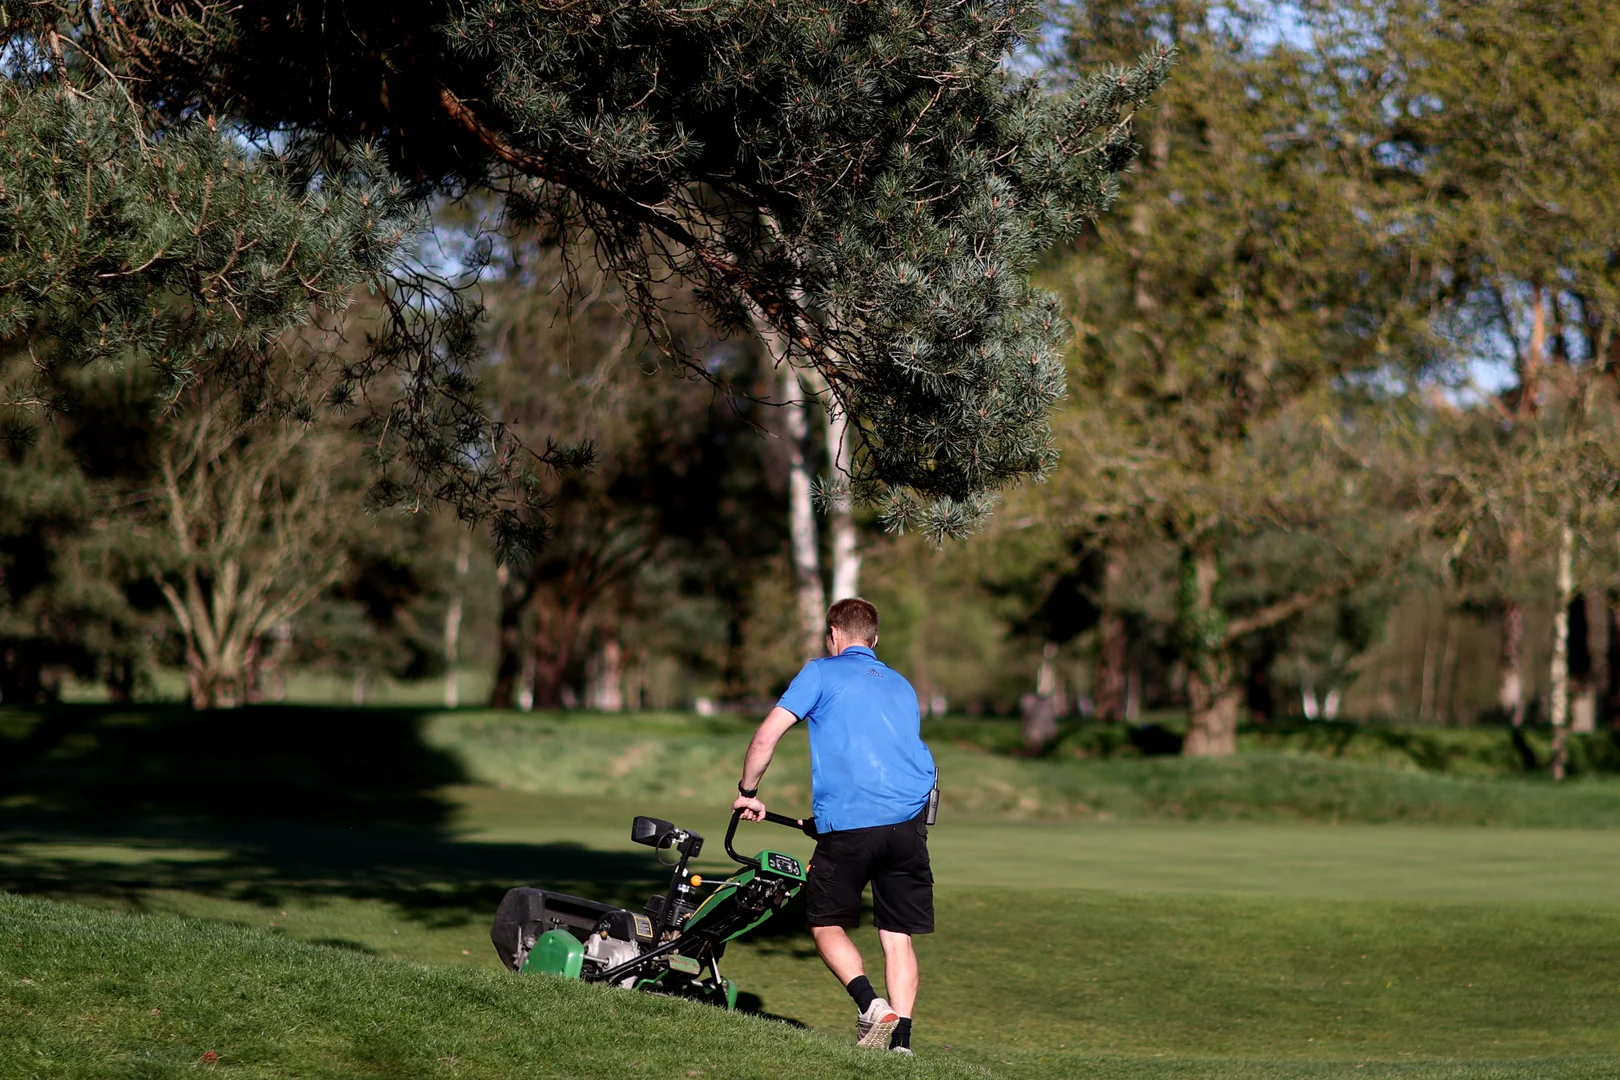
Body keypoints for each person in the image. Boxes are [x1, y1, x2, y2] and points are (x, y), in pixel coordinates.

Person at [732, 598, 937, 1055]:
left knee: (823, 920)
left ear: (833, 635)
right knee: (896, 934)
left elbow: (767, 735)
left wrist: (748, 792)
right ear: (875, 640)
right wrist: (819, 822)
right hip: (908, 824)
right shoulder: (902, 685)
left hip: (851, 827)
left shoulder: (820, 671)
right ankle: (901, 1044)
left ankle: (871, 1005)